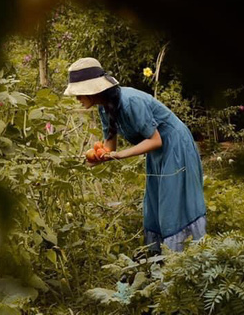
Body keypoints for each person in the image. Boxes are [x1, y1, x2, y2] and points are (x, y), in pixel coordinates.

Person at [64, 57, 206, 253]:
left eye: (79, 93)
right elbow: (109, 145)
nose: (77, 98)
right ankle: (161, 260)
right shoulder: (105, 107)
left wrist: (121, 155)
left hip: (175, 145)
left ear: (92, 90)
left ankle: (184, 258)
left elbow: (156, 140)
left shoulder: (130, 102)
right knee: (156, 202)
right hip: (157, 152)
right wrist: (93, 159)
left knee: (173, 202)